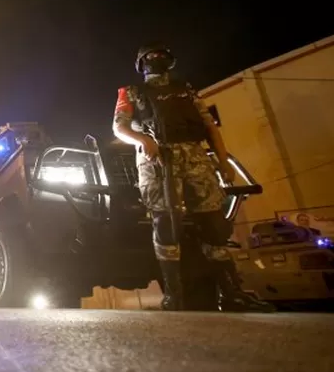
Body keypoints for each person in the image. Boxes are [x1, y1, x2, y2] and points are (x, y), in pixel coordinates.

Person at [113, 43, 274, 312]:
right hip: (158, 161)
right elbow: (119, 126)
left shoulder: (185, 89)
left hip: (195, 157)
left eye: (161, 55)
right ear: (142, 63)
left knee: (214, 224)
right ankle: (174, 296)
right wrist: (141, 139)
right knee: (166, 227)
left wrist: (223, 162)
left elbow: (209, 126)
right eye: (151, 56)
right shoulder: (131, 92)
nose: (156, 59)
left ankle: (232, 293)